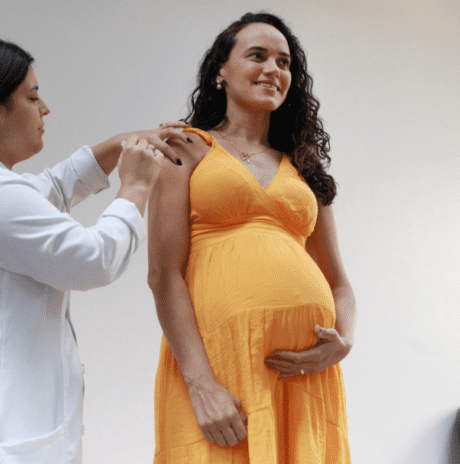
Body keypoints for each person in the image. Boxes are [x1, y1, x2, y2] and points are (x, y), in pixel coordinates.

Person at [0, 37, 197, 464]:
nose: (44, 108)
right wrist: (135, 186)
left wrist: (123, 144)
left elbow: (52, 187)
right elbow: (94, 260)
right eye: (32, 97)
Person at [148, 12, 356, 463]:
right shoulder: (186, 148)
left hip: (305, 378)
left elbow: (339, 282)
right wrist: (202, 385)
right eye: (257, 56)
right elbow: (164, 275)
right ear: (220, 71)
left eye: (284, 62)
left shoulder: (304, 165)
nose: (273, 69)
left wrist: (343, 339)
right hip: (220, 365)